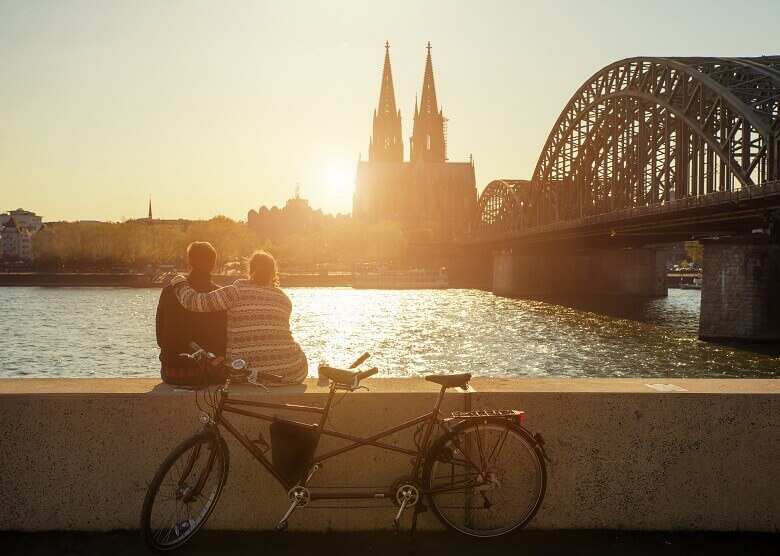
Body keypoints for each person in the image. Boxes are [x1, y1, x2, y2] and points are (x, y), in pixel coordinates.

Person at [170, 250, 308, 384]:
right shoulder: (283, 298)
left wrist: (179, 282)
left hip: (245, 373)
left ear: (250, 271)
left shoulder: (236, 291)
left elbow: (194, 302)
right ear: (273, 273)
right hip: (290, 371)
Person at [156, 241, 228, 385]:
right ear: (214, 266)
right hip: (208, 372)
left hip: (171, 372)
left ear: (189, 264)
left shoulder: (169, 291)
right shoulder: (220, 296)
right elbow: (225, 338)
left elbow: (160, 337)